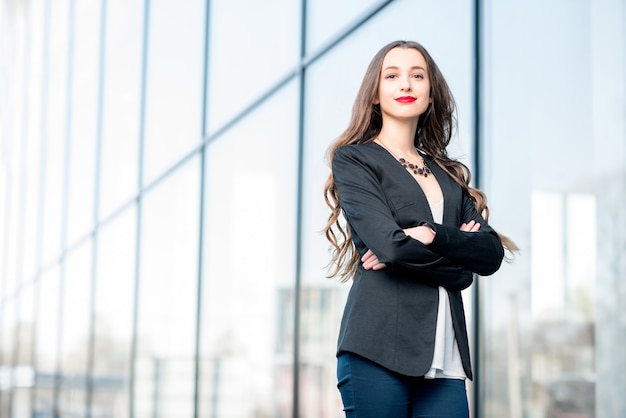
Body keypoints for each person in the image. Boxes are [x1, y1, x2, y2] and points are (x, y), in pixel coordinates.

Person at [323, 40, 518, 418]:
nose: (406, 85)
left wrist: (431, 234)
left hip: (446, 364)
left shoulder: (448, 175)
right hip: (376, 350)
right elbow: (392, 247)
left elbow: (491, 254)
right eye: (392, 76)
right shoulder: (355, 160)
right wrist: (458, 268)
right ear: (375, 95)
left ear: (431, 95)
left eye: (417, 75)